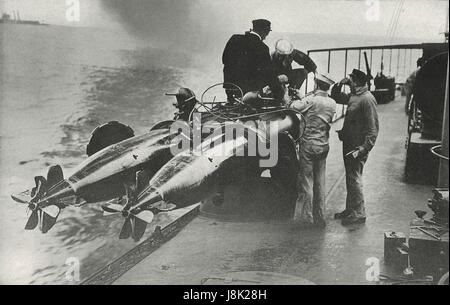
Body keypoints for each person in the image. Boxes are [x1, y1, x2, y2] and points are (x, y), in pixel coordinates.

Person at [331, 69, 379, 225]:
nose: (349, 81)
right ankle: (350, 209)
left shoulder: (367, 99)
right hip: (349, 144)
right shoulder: (355, 96)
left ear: (357, 81)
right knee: (351, 177)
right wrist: (338, 84)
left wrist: (364, 148)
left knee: (355, 177)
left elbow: (373, 129)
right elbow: (336, 97)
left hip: (357, 147)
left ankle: (358, 213)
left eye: (351, 79)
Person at [289, 73, 337, 228]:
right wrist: (303, 97)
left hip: (308, 145)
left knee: (306, 182)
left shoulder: (311, 100)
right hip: (323, 146)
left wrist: (287, 93)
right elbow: (315, 107)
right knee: (320, 182)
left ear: (316, 84)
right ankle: (320, 217)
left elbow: (292, 106)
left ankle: (307, 218)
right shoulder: (332, 103)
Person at [222, 19, 276, 99]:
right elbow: (268, 72)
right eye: (267, 32)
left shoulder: (234, 38)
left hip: (230, 87)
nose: (266, 36)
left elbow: (224, 59)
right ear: (263, 31)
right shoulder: (263, 48)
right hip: (249, 91)